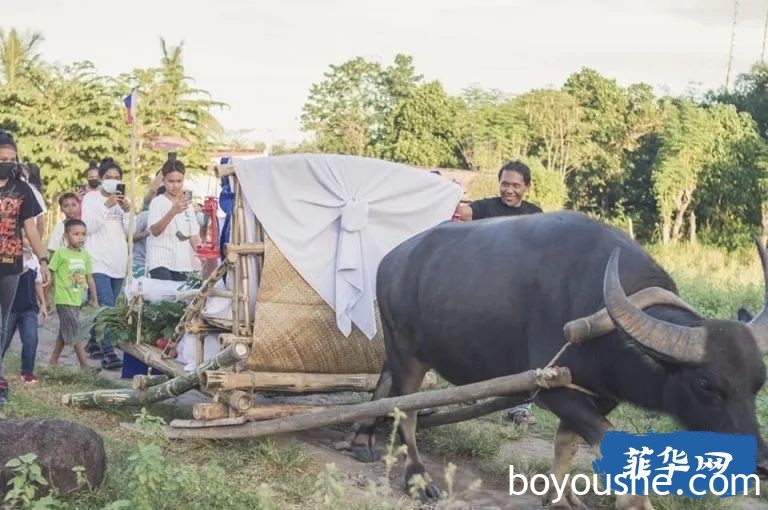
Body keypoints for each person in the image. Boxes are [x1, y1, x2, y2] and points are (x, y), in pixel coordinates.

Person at [457, 160, 542, 425]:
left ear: (526, 187)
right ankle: (467, 391)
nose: (509, 190)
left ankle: (519, 407)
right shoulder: (485, 207)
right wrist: (443, 193)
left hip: (518, 294)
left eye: (516, 185)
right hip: (482, 289)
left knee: (521, 350)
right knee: (472, 341)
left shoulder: (535, 214)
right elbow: (464, 212)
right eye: (505, 183)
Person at [0, 130, 50, 406]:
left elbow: (31, 228)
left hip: (10, 265)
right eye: (1, 158)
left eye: (10, 159)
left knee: (1, 324)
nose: (6, 162)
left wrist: (42, 261)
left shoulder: (22, 190)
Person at [80, 157, 131, 369]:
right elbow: (87, 227)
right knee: (107, 306)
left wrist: (127, 212)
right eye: (108, 177)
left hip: (118, 262)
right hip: (97, 261)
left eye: (116, 178)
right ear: (100, 179)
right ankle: (108, 352)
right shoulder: (91, 199)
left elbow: (130, 232)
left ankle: (93, 342)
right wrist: (106, 205)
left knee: (105, 307)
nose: (112, 181)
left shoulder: (122, 202)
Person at [47, 219, 100, 373]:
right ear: (66, 236)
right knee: (77, 331)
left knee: (64, 332)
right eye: (75, 234)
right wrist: (46, 299)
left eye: (83, 234)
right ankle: (85, 366)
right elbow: (49, 276)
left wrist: (94, 298)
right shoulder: (60, 253)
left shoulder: (85, 256)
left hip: (77, 300)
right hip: (64, 299)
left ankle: (52, 362)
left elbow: (89, 278)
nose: (80, 237)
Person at [0, 232, 47, 383]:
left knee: (31, 338)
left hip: (29, 307)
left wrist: (43, 303)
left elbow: (38, 283)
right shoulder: (7, 259)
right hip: (10, 308)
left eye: (28, 237)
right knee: (3, 339)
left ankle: (27, 371)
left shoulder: (34, 261)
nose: (25, 241)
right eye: (22, 238)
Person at [147, 155, 201, 281]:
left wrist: (203, 259)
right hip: (160, 262)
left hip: (182, 264)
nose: (175, 185)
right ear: (164, 180)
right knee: (165, 299)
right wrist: (172, 212)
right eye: (171, 181)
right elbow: (155, 230)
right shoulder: (157, 202)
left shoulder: (188, 206)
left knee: (181, 299)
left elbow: (194, 237)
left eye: (179, 181)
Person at [48, 192, 81, 256]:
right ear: (61, 209)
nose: (70, 208)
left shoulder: (86, 226)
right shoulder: (59, 227)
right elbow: (53, 251)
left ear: (79, 206)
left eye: (74, 205)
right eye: (66, 206)